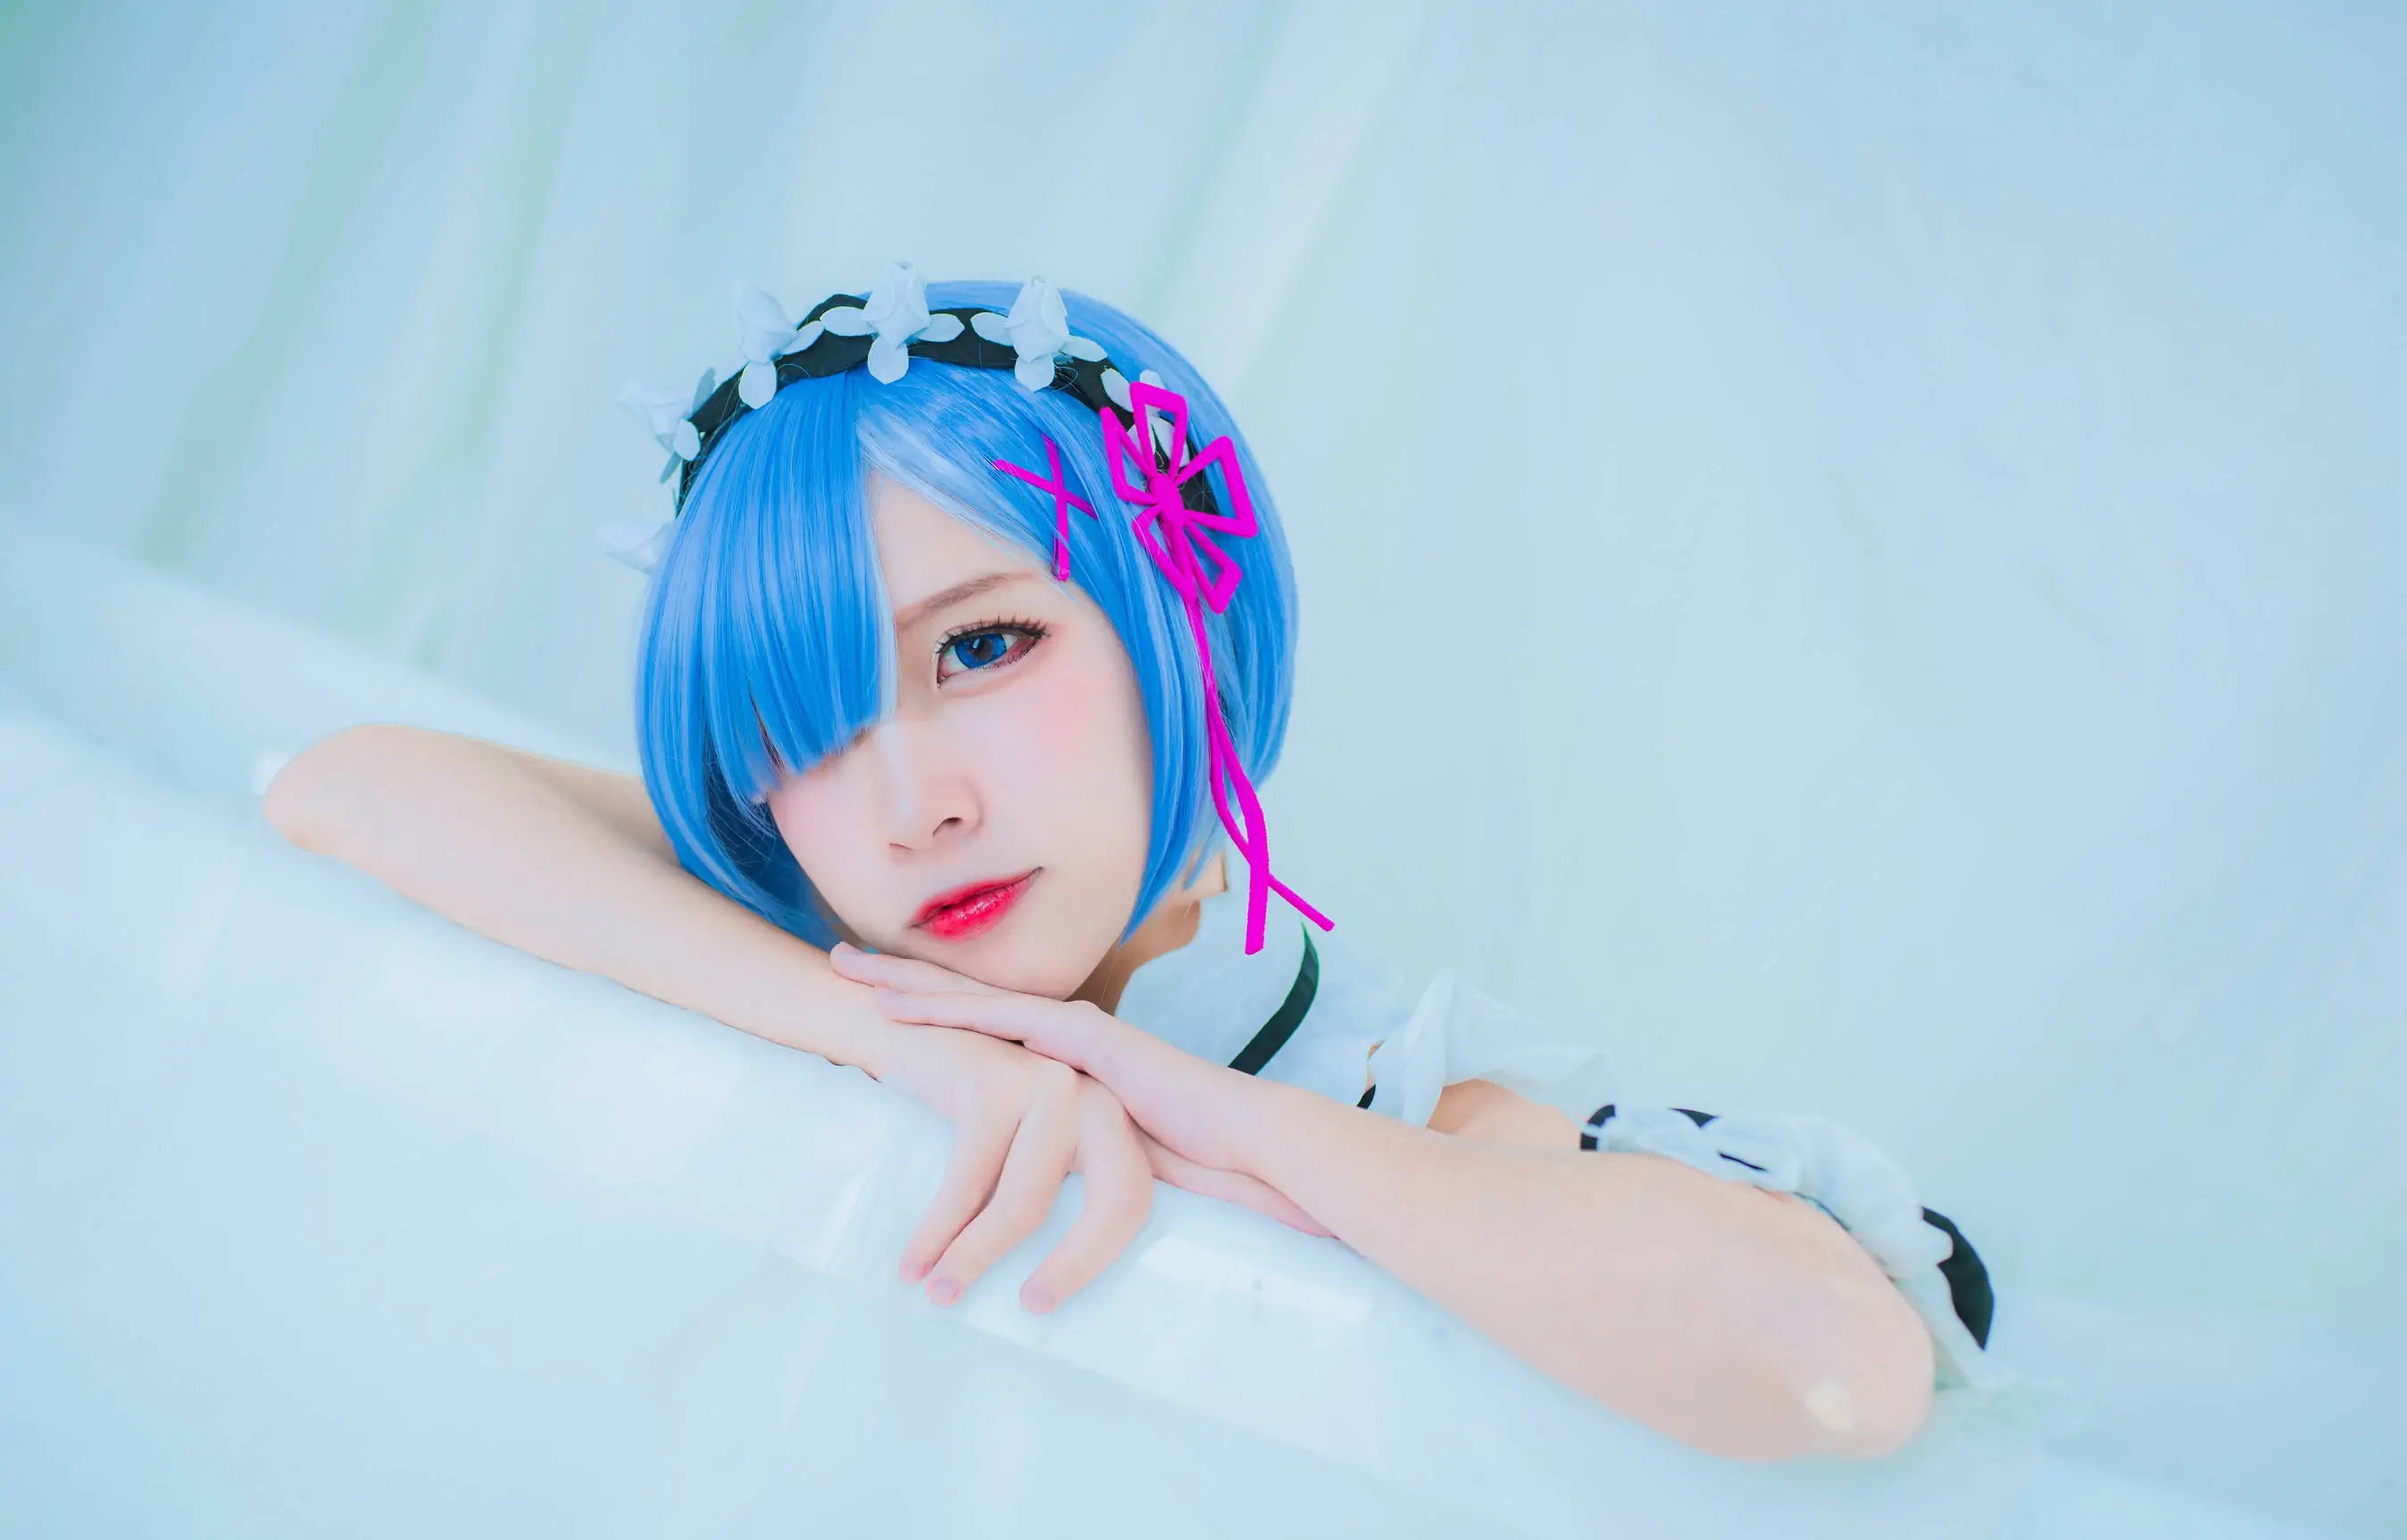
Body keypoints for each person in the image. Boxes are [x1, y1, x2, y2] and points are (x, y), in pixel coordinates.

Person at [265, 267, 1994, 1464]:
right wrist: (901, 1039)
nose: (911, 807)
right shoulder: (830, 933)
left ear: (1173, 618)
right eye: (803, 728)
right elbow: (345, 787)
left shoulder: (1404, 1099)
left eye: (983, 647)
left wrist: (1201, 1113)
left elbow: (1837, 1368)